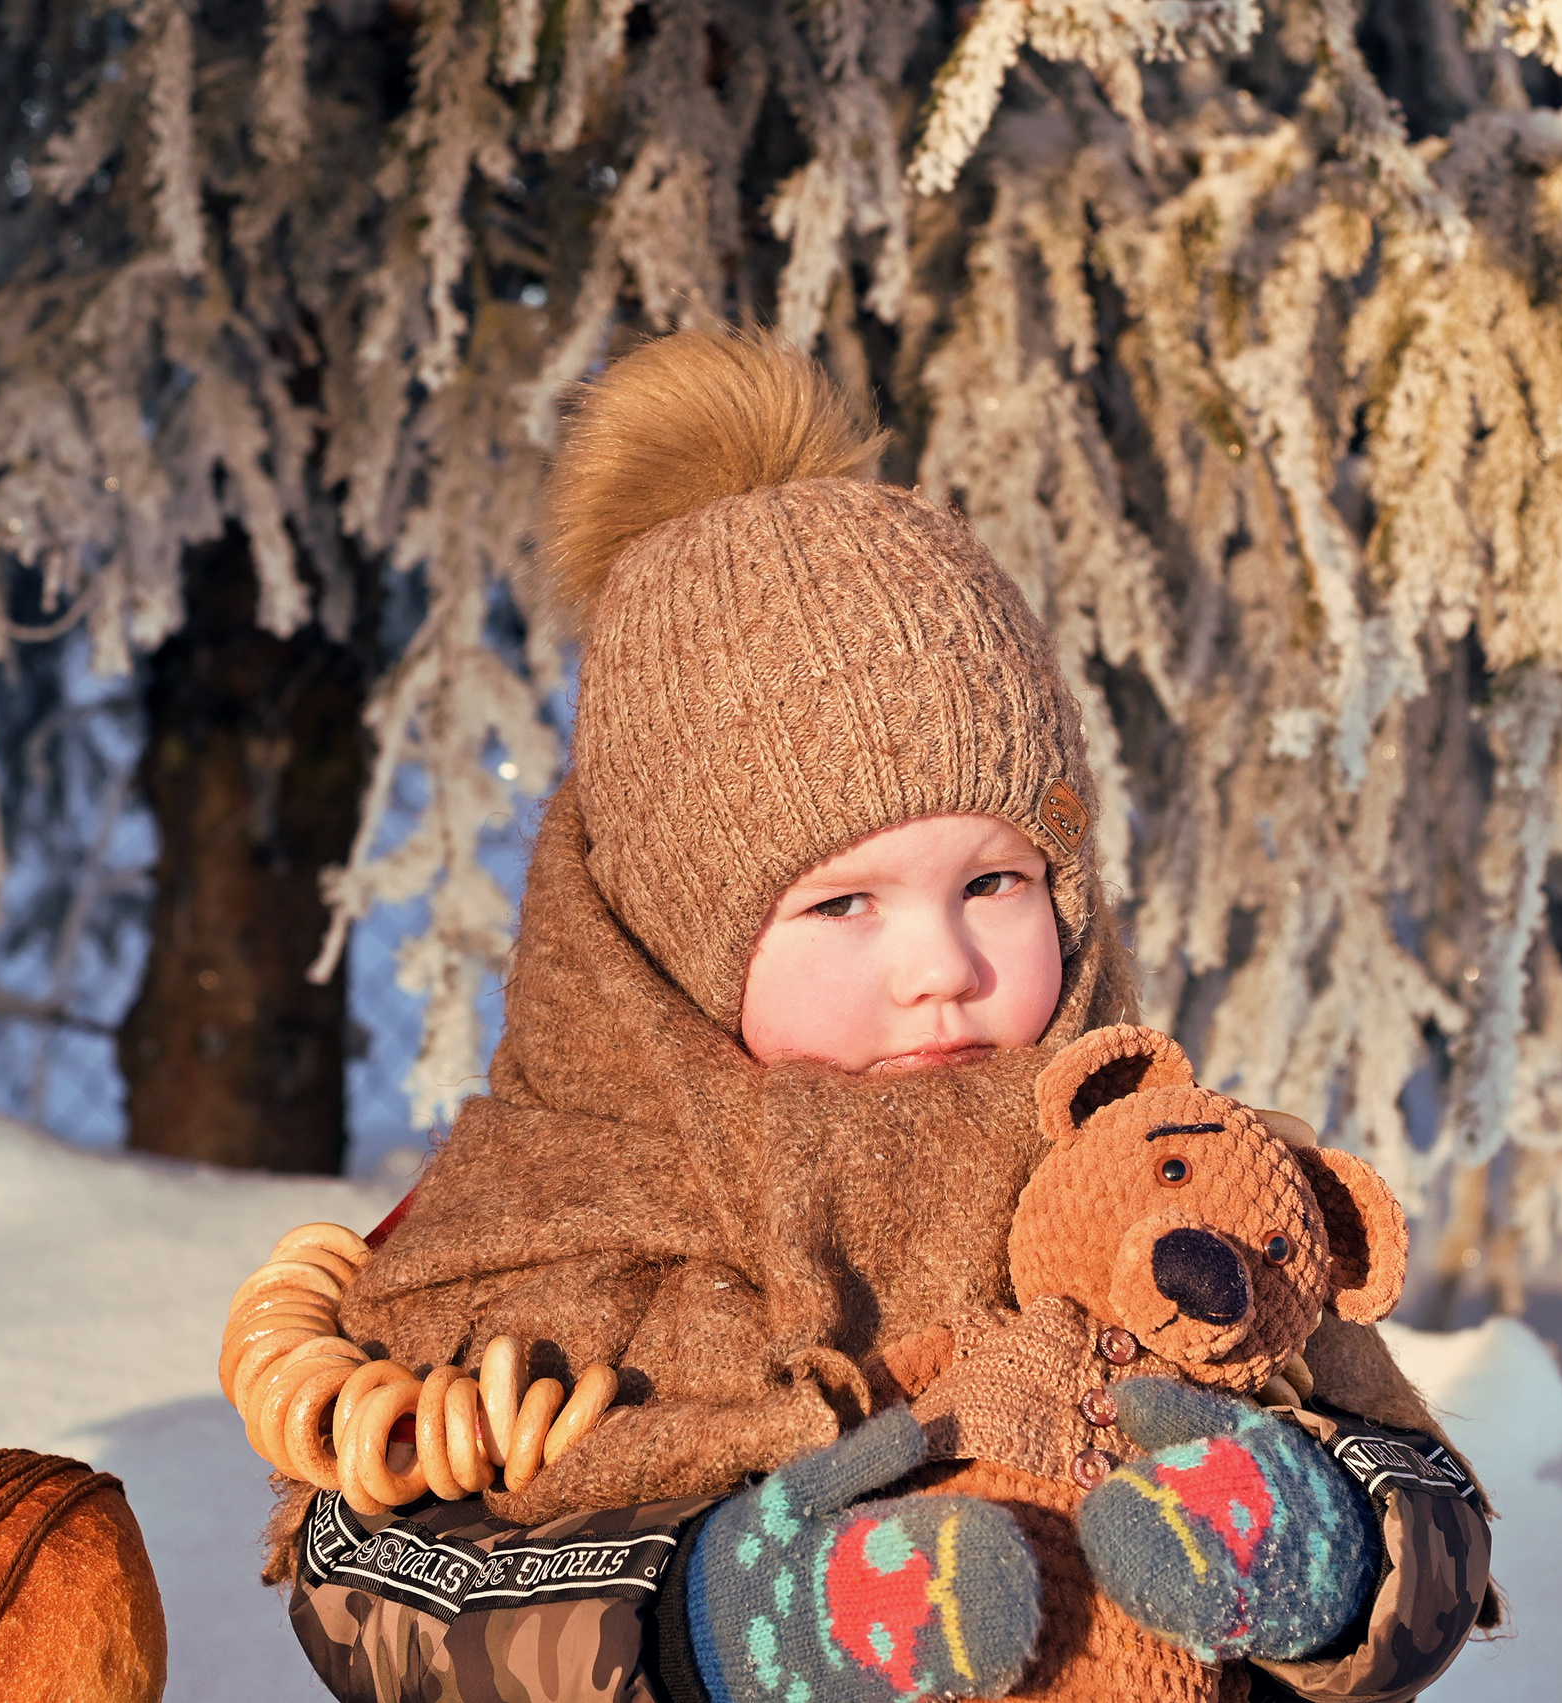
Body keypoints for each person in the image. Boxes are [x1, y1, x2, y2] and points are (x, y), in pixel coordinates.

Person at [267, 331, 1494, 1701]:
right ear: (670, 943)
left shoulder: (1153, 1170)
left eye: (994, 882)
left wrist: (1320, 1549)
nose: (942, 966)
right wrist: (723, 1627)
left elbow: (1416, 1496)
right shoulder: (559, 1210)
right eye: (840, 906)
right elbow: (373, 1590)